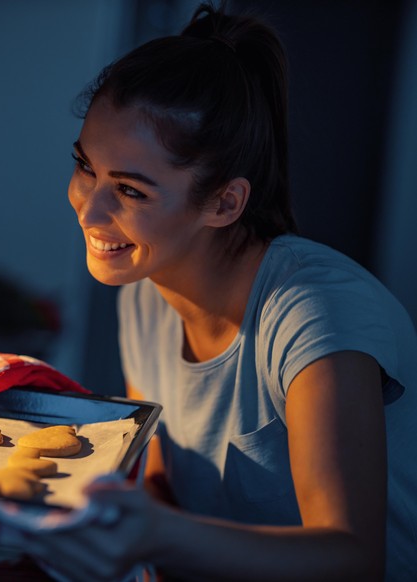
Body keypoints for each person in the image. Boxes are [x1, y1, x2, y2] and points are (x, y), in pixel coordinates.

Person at [22, 2, 417, 580]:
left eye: (131, 191)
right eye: (87, 169)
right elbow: (163, 487)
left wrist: (152, 532)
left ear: (224, 202)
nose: (90, 208)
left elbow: (351, 560)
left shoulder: (316, 315)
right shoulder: (145, 287)